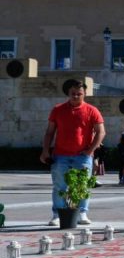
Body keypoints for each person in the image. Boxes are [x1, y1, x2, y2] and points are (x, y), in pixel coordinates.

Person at [40, 80, 105, 226]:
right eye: (73, 94)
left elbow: (101, 132)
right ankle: (57, 214)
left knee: (82, 186)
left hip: (82, 156)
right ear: (68, 93)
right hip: (60, 155)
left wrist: (90, 151)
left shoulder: (92, 110)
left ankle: (82, 212)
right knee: (59, 186)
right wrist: (45, 151)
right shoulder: (58, 109)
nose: (75, 96)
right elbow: (49, 132)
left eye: (79, 94)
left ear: (85, 94)